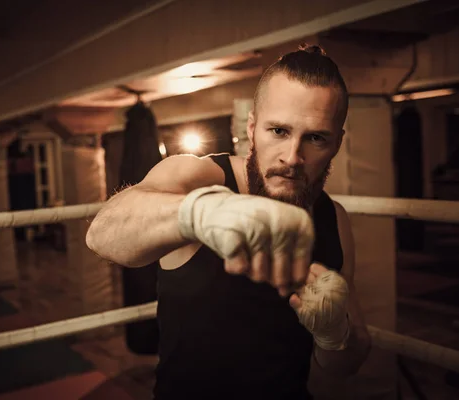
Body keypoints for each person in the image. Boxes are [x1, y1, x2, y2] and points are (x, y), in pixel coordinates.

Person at [86, 44, 372, 400]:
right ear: (252, 128)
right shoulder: (200, 176)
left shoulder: (334, 220)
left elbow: (345, 366)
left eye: (315, 137)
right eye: (279, 131)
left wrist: (334, 333)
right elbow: (103, 232)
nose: (292, 157)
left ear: (337, 143)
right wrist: (200, 212)